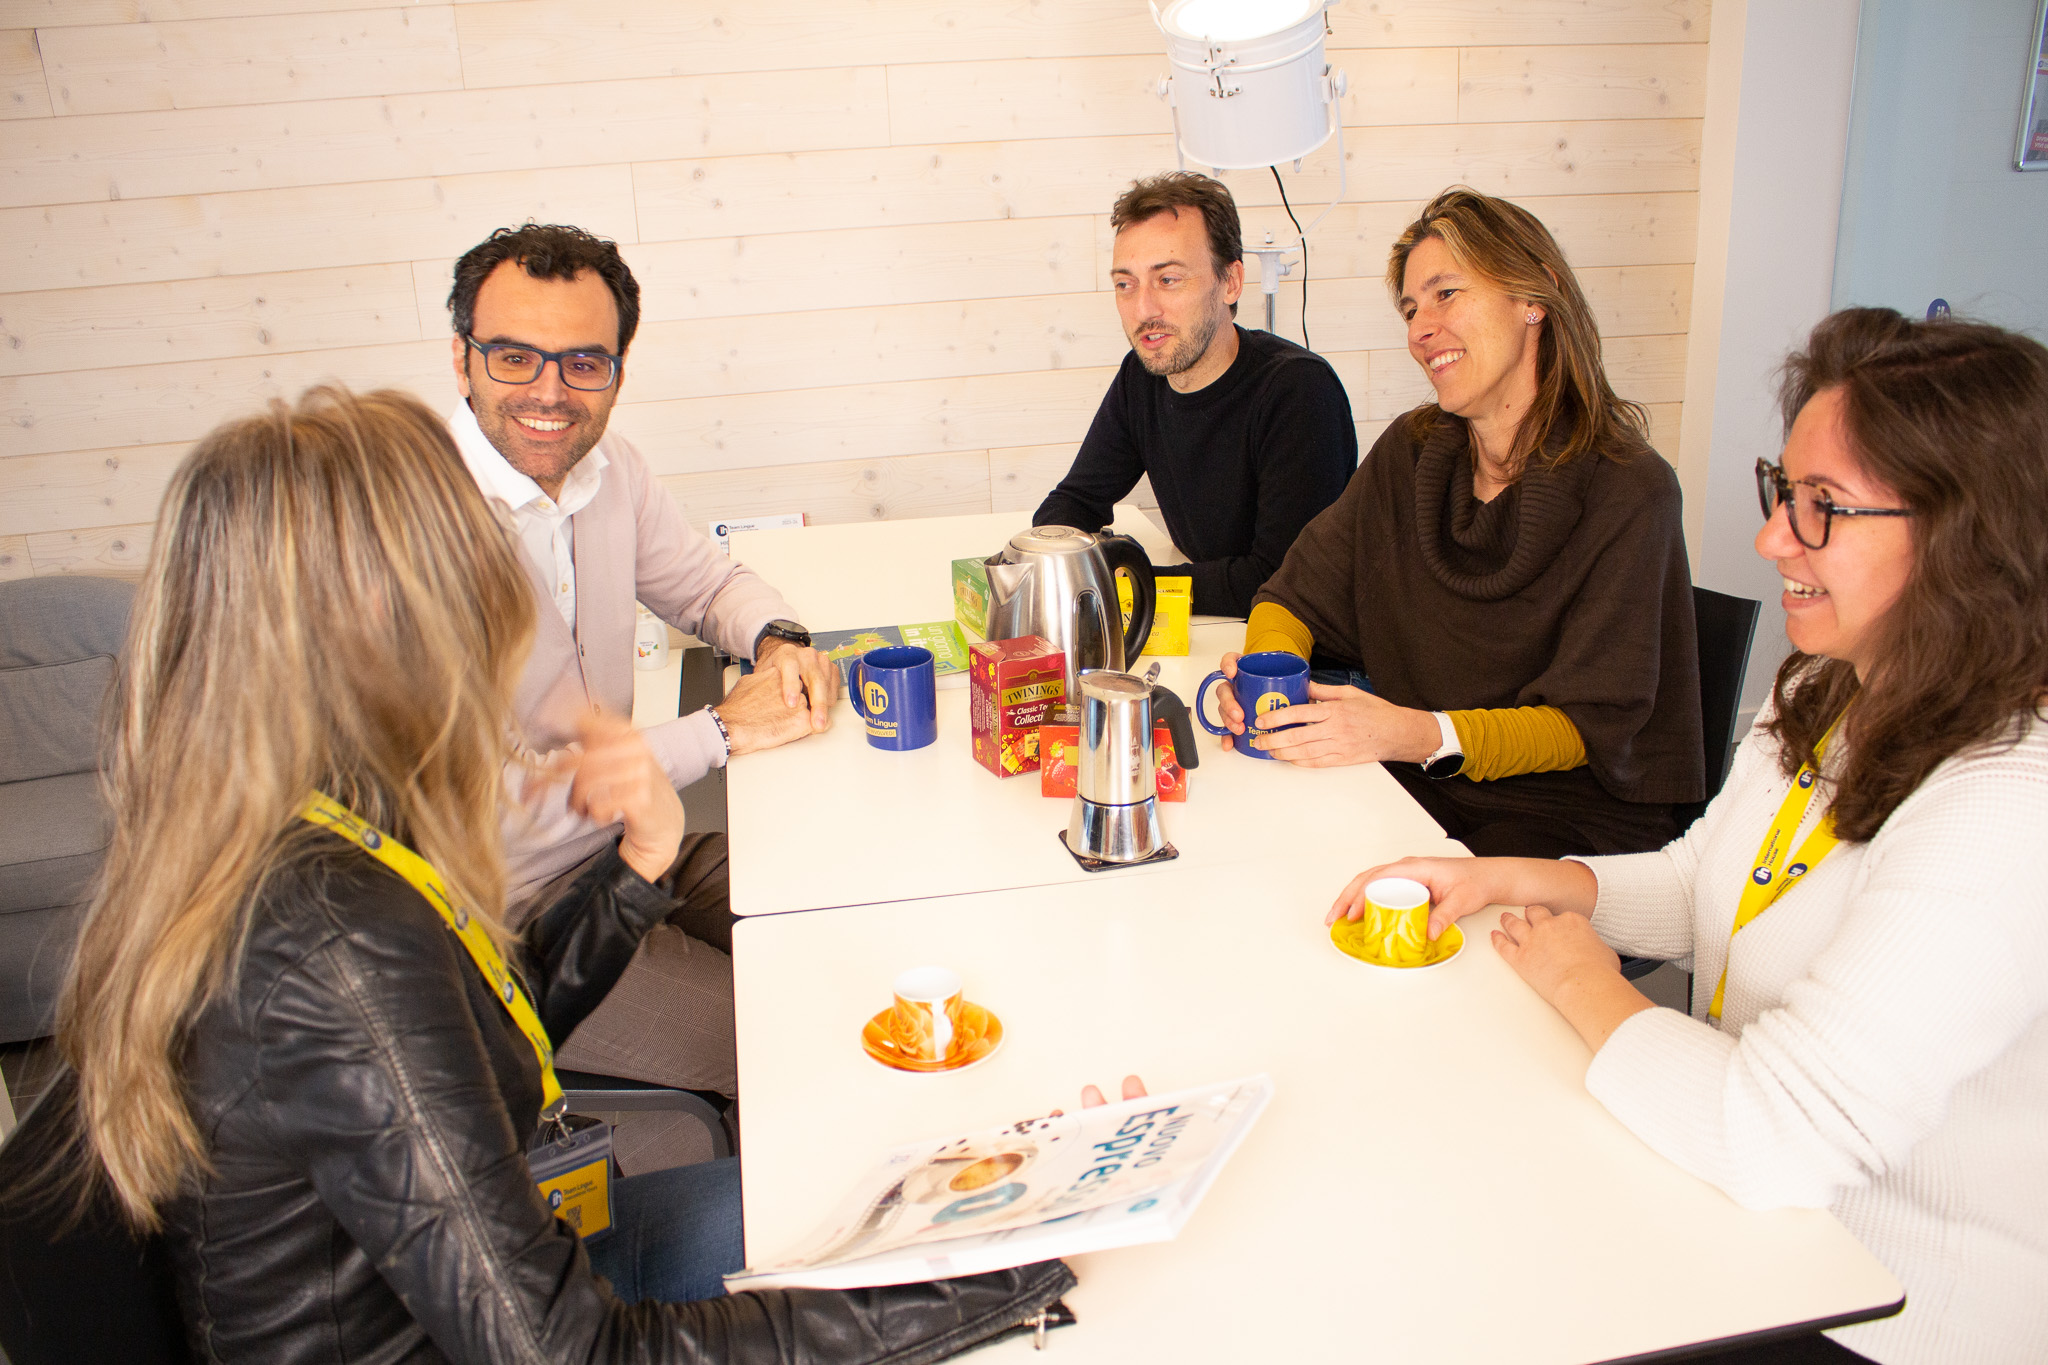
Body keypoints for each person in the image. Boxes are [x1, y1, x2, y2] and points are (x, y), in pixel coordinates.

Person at [38, 385, 1073, 1361]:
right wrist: (1005, 1280)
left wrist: (638, 869)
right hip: (509, 1322)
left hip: (499, 1274)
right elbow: (570, 1351)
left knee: (904, 1184)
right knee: (921, 1217)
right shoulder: (329, 931)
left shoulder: (302, 827)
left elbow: (476, 1031)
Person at [1340, 310, 2048, 1363]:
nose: (1771, 539)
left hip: (1879, 1312)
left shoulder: (2006, 806)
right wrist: (1503, 877)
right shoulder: (1827, 686)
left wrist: (1586, 984)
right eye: (1783, 493)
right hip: (1738, 1223)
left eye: (1823, 511)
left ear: (1967, 538)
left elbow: (1773, 1135)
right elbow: (1703, 881)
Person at [447, 222, 835, 1105]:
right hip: (511, 925)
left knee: (851, 914)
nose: (550, 390)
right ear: (462, 361)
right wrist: (722, 730)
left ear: (618, 368)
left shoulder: (609, 468)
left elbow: (705, 585)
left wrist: (777, 641)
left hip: (628, 849)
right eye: (514, 357)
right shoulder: (413, 525)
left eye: (584, 362)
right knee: (795, 1041)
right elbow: (492, 815)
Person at [1214, 186, 1703, 857]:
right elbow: (1295, 595)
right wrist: (1268, 683)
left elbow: (1584, 729)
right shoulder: (1411, 454)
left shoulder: (1630, 491)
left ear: (1535, 298)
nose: (1420, 328)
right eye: (1412, 308)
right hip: (1427, 785)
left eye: (1447, 294)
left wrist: (1407, 733)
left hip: (1571, 816)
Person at [1032, 172, 1356, 618]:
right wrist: (1050, 558)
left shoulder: (1298, 393)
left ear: (1230, 283)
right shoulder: (1144, 375)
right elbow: (1074, 502)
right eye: (1126, 284)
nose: (1144, 310)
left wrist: (1120, 578)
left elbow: (1278, 578)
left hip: (1306, 657)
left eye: (1168, 280)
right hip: (1216, 627)